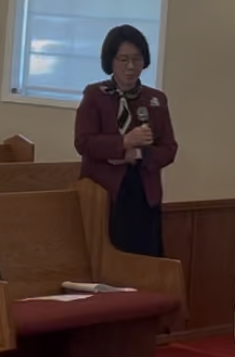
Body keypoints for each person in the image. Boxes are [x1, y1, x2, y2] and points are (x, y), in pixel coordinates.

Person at [73, 26, 177, 257]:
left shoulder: (155, 99)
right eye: (123, 59)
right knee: (108, 257)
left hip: (144, 191)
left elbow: (170, 148)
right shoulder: (95, 95)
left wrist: (139, 154)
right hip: (106, 192)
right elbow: (83, 142)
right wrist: (123, 143)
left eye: (136, 59)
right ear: (110, 61)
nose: (130, 66)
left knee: (145, 258)